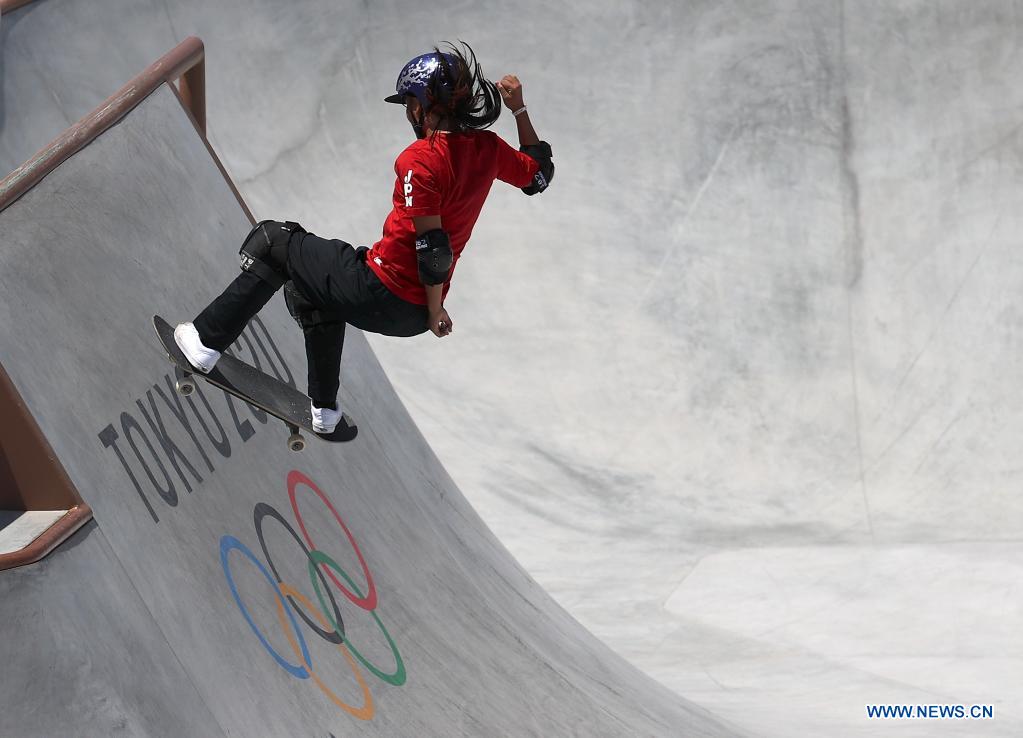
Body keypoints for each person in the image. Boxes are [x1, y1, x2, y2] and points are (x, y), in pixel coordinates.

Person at [173, 42, 554, 433]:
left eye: (409, 103)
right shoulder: (489, 149)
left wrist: (435, 310)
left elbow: (432, 250)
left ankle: (204, 342)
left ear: (421, 105)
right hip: (409, 312)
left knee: (274, 241)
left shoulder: (421, 160)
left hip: (383, 292)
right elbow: (539, 176)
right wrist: (519, 110)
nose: (408, 113)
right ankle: (325, 411)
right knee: (312, 288)